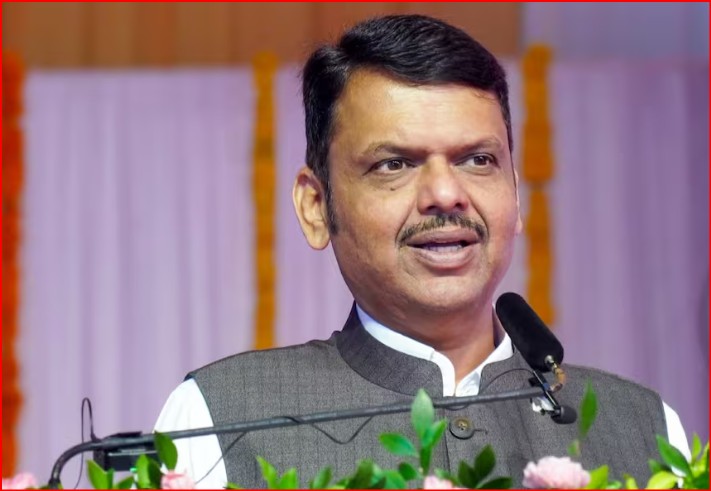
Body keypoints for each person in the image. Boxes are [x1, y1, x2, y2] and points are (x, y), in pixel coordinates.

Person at [155, 14, 688, 489]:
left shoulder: (644, 428)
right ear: (316, 207)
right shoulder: (217, 420)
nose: (446, 194)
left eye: (477, 160)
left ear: (516, 194)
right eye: (395, 164)